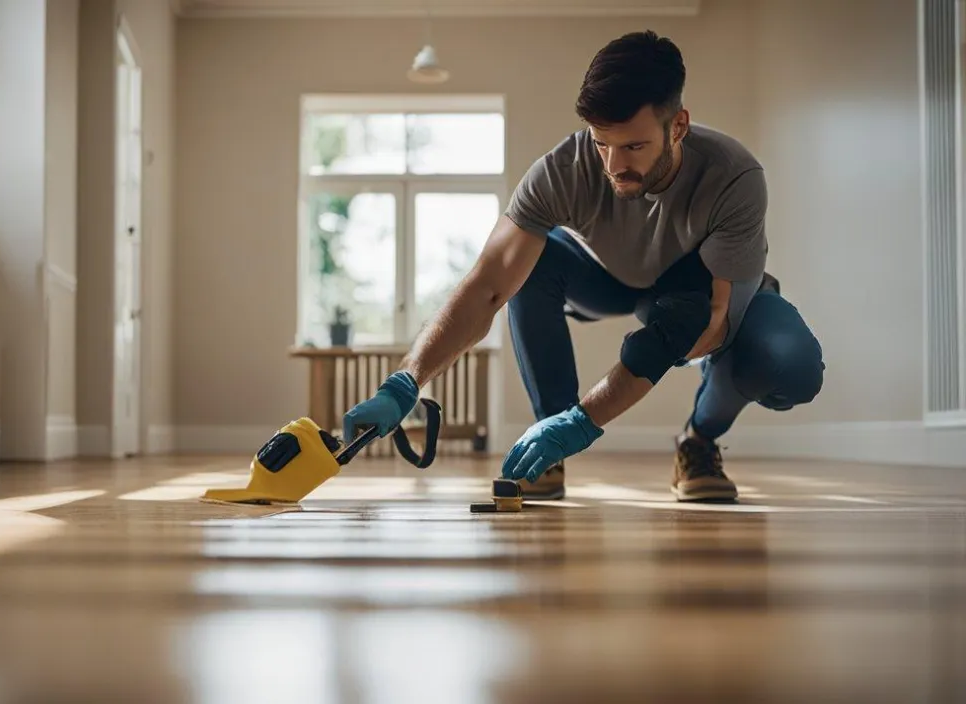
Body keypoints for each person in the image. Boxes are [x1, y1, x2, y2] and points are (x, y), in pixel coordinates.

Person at [342, 30, 825, 502]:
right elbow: (487, 285)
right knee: (527, 262)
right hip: (605, 277)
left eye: (633, 147)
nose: (613, 164)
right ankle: (545, 445)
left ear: (677, 126)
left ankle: (697, 443)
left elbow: (716, 326)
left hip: (697, 289)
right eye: (601, 143)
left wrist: (587, 417)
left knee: (789, 363)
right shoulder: (561, 170)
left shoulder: (733, 176)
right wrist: (406, 380)